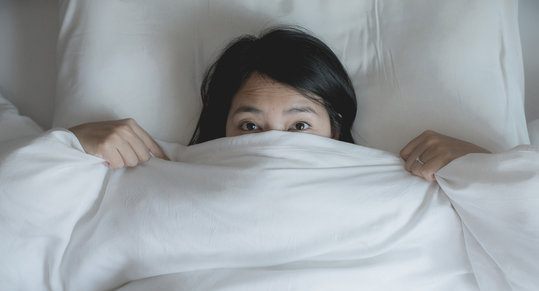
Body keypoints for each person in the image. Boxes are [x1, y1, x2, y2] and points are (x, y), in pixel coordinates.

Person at [69, 26, 489, 182]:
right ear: (223, 129)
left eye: (300, 126)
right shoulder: (158, 179)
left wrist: (480, 168)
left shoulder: (400, 187)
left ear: (336, 127)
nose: (274, 146)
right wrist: (71, 147)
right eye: (250, 126)